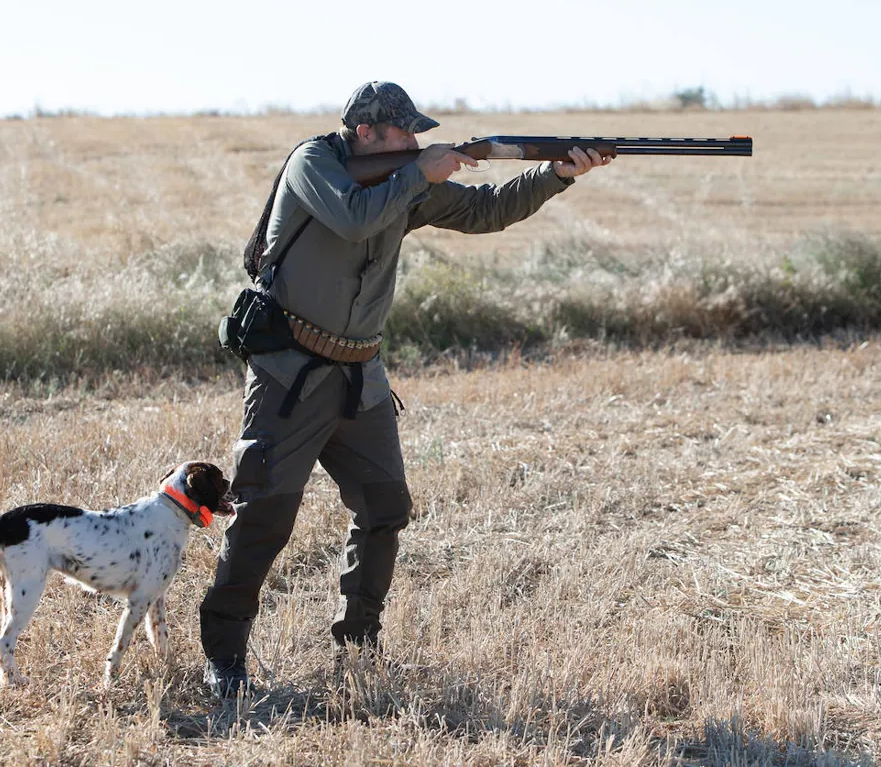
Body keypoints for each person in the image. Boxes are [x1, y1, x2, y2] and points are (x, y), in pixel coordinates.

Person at [201, 81, 611, 698]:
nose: (416, 142)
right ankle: (225, 658)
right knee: (264, 520)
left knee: (385, 508)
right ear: (366, 133)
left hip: (361, 377)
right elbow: (353, 214)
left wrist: (556, 175)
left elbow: (484, 212)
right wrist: (420, 174)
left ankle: (359, 643)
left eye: (418, 135)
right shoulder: (314, 164)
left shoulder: (401, 184)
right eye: (403, 134)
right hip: (291, 376)